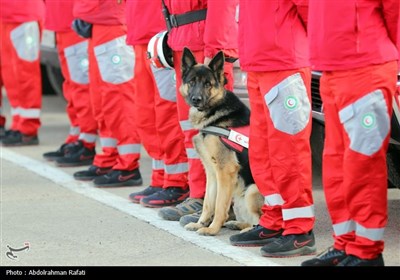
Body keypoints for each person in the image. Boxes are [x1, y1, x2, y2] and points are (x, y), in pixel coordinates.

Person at [301, 0, 399, 266]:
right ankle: (346, 244)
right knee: (336, 167)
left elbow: (394, 10)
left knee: (362, 166)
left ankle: (367, 252)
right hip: (333, 69)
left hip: (366, 65)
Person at [228, 0, 316, 258]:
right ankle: (274, 218)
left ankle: (300, 230)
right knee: (264, 151)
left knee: (288, 151)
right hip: (259, 62)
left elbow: (309, 9)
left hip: (284, 59)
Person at [156, 0, 239, 223]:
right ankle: (199, 195)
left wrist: (214, 52)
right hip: (185, 43)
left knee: (216, 135)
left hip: (205, 47)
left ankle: (214, 202)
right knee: (192, 130)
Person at [125, 0, 190, 207]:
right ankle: (160, 176)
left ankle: (178, 181)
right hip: (141, 32)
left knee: (167, 111)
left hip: (161, 33)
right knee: (147, 114)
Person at [71, 0, 143, 187]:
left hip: (111, 22)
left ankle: (128, 163)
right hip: (99, 21)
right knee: (103, 99)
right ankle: (110, 156)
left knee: (118, 98)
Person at [42, 0, 97, 166]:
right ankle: (77, 136)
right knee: (71, 86)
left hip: (75, 22)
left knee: (80, 86)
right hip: (62, 21)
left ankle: (86, 142)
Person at [0, 0, 45, 146]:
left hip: (24, 15)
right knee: (12, 76)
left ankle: (28, 128)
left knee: (25, 75)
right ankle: (19, 124)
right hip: (7, 15)